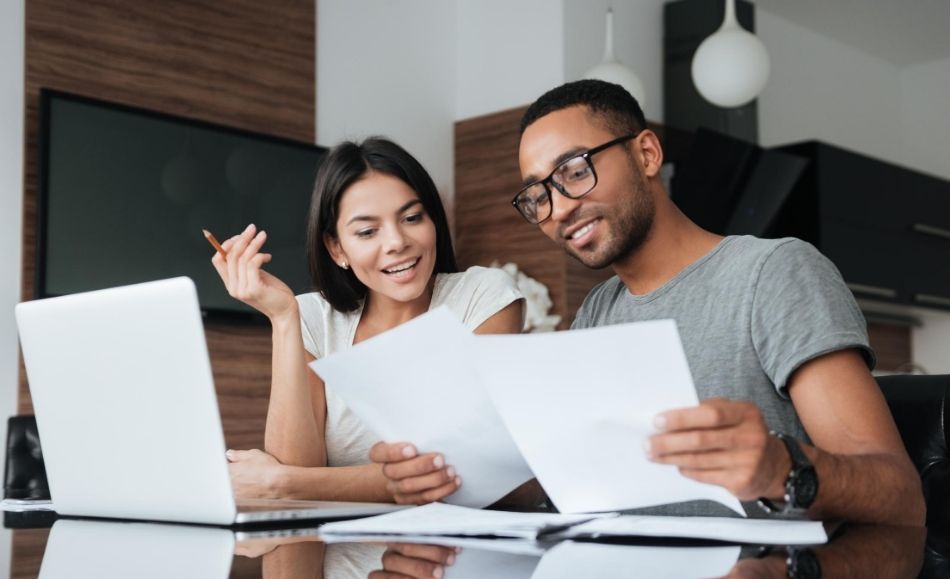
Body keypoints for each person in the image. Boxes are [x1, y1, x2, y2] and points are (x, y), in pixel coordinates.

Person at [374, 79, 925, 525]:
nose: (559, 208)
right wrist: (447, 478)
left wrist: (782, 467)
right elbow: (570, 489)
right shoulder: (597, 310)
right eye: (538, 195)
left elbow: (899, 494)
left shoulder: (774, 272)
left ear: (646, 153)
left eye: (574, 171)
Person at [211, 136, 524, 504]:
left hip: (451, 556)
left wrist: (283, 483)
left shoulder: (482, 297)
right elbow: (295, 467)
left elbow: (459, 471)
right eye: (367, 231)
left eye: (411, 218)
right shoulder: (313, 317)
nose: (396, 242)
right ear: (336, 248)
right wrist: (282, 319)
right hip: (334, 559)